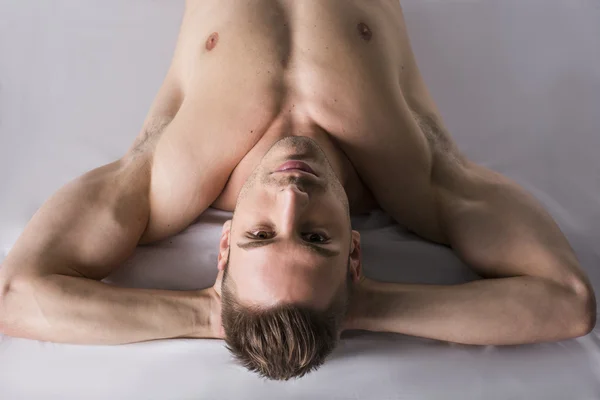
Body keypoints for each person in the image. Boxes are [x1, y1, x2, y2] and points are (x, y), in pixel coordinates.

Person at [0, 0, 595, 381]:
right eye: (316, 238)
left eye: (261, 234)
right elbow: (567, 301)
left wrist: (211, 315)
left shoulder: (164, 178)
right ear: (355, 255)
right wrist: (361, 307)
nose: (291, 197)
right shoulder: (422, 176)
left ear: (225, 244)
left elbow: (16, 297)